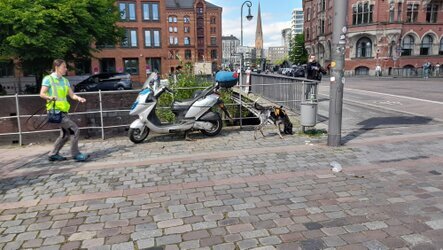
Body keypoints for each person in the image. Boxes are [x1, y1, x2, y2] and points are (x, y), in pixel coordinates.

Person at [39, 59, 88, 162]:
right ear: (57, 67)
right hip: (55, 111)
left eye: (66, 67)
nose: (66, 69)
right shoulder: (48, 79)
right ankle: (75, 154)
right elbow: (42, 94)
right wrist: (50, 97)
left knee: (65, 134)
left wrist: (79, 98)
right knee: (74, 130)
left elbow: (71, 95)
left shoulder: (65, 80)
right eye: (64, 67)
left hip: (64, 112)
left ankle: (53, 154)